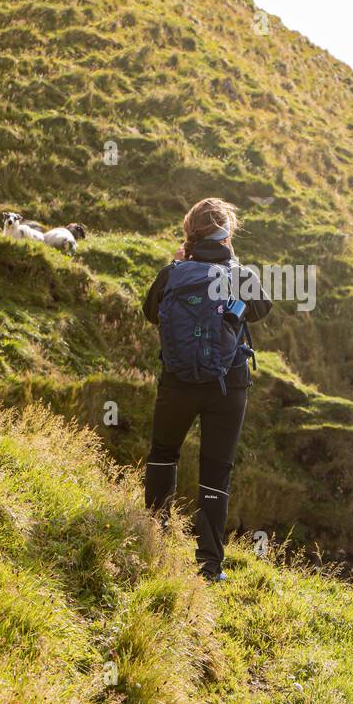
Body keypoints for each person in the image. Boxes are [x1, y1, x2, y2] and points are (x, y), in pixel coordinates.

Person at [141, 198, 272, 581]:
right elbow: (263, 309)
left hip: (178, 380)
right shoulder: (240, 275)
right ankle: (209, 566)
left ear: (189, 233)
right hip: (227, 385)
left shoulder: (173, 272)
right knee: (217, 470)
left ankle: (154, 535)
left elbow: (151, 313)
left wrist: (180, 265)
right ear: (228, 235)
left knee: (164, 453)